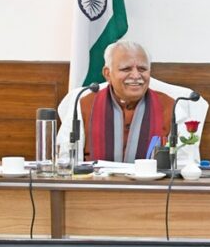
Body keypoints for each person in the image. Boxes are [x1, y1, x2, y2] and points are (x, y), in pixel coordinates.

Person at [57, 40, 201, 165]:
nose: (136, 75)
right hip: (94, 191)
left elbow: (186, 162)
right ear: (107, 73)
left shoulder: (171, 107)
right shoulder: (83, 105)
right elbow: (66, 160)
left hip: (154, 192)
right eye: (126, 69)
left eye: (142, 69)